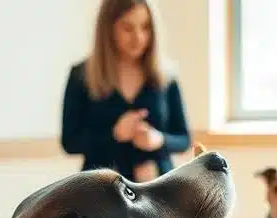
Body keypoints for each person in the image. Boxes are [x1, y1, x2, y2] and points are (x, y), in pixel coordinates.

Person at [60, 0, 191, 183]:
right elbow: (70, 142)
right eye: (127, 28)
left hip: (158, 188)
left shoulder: (166, 75)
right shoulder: (81, 75)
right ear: (108, 29)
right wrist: (114, 135)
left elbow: (184, 139)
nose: (138, 37)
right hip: (101, 191)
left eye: (145, 27)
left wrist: (158, 140)